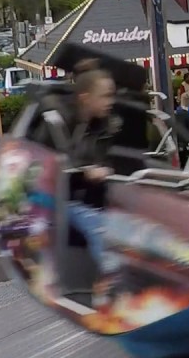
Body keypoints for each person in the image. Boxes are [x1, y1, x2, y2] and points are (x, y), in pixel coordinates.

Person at [57, 60, 120, 275]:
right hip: (65, 200)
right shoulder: (61, 125)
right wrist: (84, 173)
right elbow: (52, 169)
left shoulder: (104, 126)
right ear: (85, 98)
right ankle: (113, 279)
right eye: (104, 96)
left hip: (94, 197)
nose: (109, 102)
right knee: (96, 223)